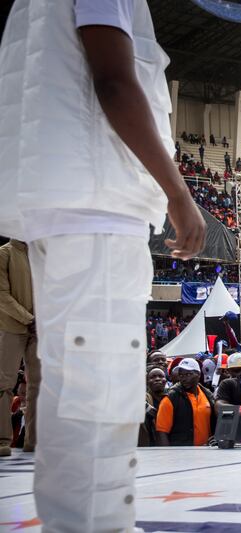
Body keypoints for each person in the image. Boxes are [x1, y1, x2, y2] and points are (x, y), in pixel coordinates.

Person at [0, 1, 206, 530]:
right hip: (98, 199)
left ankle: (80, 520)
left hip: (60, 198)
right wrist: (178, 192)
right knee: (100, 386)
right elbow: (114, 81)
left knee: (73, 385)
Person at [0, 239, 40, 456]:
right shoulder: (4, 253)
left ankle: (33, 440)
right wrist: (29, 319)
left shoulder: (41, 254)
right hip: (10, 327)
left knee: (39, 384)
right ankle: (2, 440)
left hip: (37, 329)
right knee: (4, 383)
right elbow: (1, 295)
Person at [155, 358, 215, 446]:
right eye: (181, 375)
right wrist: (166, 456)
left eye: (188, 374)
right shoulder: (170, 398)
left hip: (207, 453)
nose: (184, 378)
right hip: (181, 455)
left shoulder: (208, 395)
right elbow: (161, 432)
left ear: (198, 374)